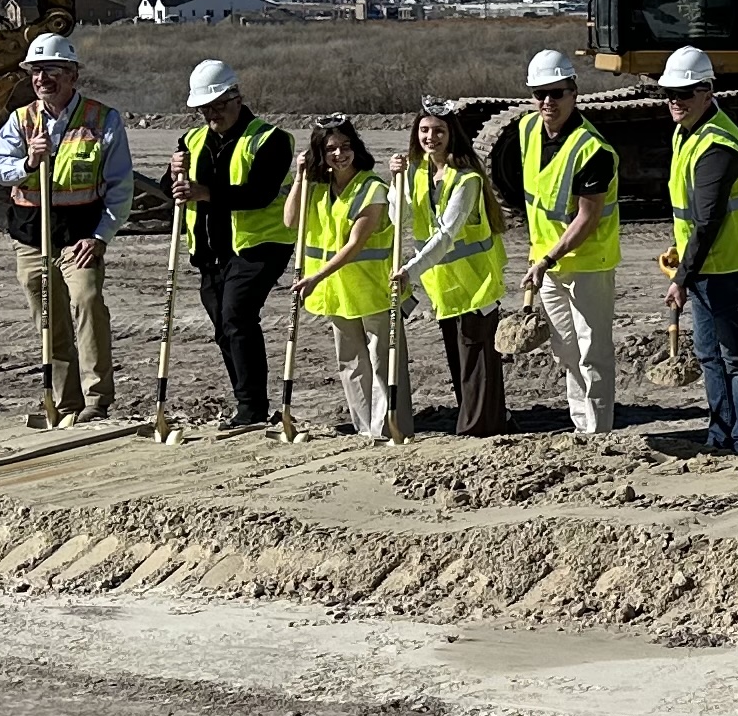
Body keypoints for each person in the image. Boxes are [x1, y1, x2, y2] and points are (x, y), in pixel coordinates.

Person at [0, 30, 130, 420]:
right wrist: (28, 163)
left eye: (52, 70)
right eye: (36, 71)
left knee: (87, 301)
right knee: (49, 318)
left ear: (72, 75)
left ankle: (97, 399)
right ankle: (65, 403)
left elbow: (120, 186)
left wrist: (102, 236)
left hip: (81, 237)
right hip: (32, 236)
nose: (42, 79)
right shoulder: (21, 120)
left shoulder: (102, 120)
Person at [656, 46, 738, 455]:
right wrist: (682, 253)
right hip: (710, 266)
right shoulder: (685, 132)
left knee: (736, 356)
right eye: (669, 93)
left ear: (707, 92)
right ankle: (721, 434)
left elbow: (708, 221)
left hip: (735, 267)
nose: (675, 101)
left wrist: (681, 278)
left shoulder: (716, 146)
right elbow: (692, 213)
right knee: (710, 354)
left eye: (684, 93)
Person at [501, 49, 620, 435]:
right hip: (547, 263)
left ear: (573, 92)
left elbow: (587, 217)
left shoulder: (592, 149)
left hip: (587, 265)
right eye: (540, 94)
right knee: (566, 350)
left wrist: (547, 258)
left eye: (556, 93)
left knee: (592, 352)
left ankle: (598, 433)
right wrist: (539, 258)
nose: (547, 102)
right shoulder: (527, 130)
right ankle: (580, 425)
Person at [173, 58, 292, 434]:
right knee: (224, 327)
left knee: (237, 316)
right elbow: (173, 189)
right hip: (211, 251)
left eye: (218, 106)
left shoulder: (271, 139)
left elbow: (260, 193)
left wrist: (204, 192)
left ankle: (251, 408)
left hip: (260, 246)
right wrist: (174, 178)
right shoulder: (191, 141)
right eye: (205, 109)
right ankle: (248, 401)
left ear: (237, 97)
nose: (212, 115)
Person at [291, 115, 405, 438]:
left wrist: (315, 278)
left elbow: (355, 244)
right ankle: (365, 428)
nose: (339, 154)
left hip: (372, 289)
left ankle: (387, 428)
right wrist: (300, 177)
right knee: (351, 363)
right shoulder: (318, 189)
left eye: (345, 146)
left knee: (382, 363)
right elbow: (290, 220)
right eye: (331, 149)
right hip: (339, 293)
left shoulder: (372, 189)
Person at [397, 104, 506, 436]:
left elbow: (447, 234)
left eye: (439, 131)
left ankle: (479, 428)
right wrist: (398, 182)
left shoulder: (466, 179)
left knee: (477, 361)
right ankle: (488, 421)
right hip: (444, 286)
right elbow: (398, 217)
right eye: (425, 130)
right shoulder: (418, 174)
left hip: (476, 283)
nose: (431, 137)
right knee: (460, 361)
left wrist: (410, 270)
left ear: (451, 135)